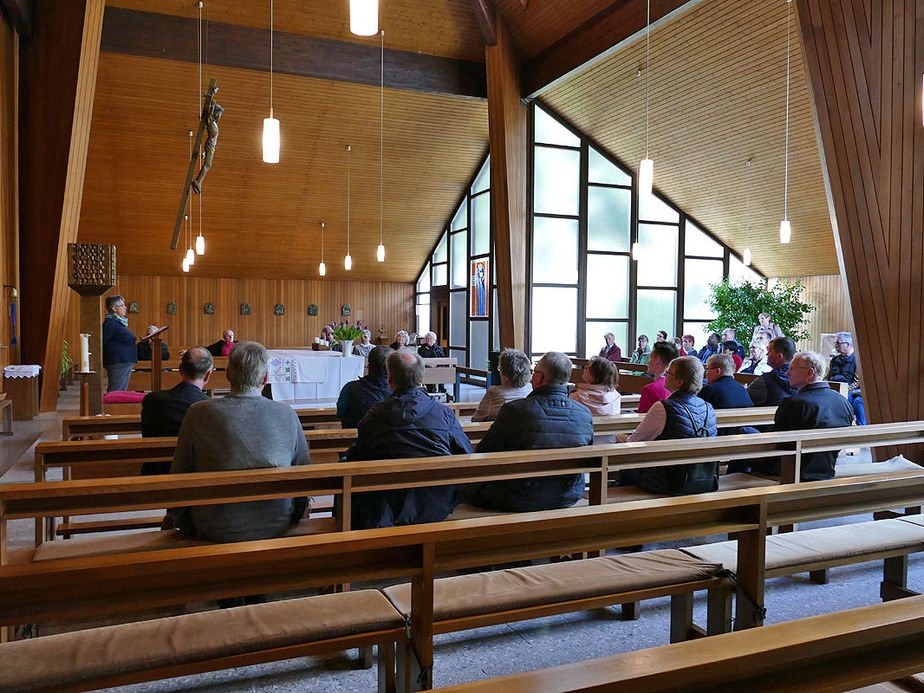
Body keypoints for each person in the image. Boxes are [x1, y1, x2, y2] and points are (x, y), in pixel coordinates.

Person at [169, 342, 310, 543]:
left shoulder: (198, 413)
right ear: (265, 378)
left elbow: (180, 474)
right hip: (276, 523)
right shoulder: (287, 414)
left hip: (213, 526)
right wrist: (295, 519)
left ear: (227, 374)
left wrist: (185, 526)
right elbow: (303, 475)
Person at [345, 351, 472, 529]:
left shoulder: (374, 416)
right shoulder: (443, 413)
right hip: (435, 503)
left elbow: (359, 457)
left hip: (387, 507)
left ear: (389, 380)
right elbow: (466, 453)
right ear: (421, 379)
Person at [466, 352, 594, 512]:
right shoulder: (584, 414)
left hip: (518, 496)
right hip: (568, 495)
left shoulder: (515, 410)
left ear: (540, 378)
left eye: (534, 372)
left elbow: (486, 452)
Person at [622, 356, 719, 495]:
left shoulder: (663, 407)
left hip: (668, 482)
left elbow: (634, 442)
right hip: (702, 479)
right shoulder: (708, 408)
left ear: (679, 382)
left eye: (668, 373)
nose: (665, 375)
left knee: (625, 463)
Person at [756, 351, 854, 481]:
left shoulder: (795, 403)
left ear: (810, 373)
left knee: (745, 437)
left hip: (791, 467)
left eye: (792, 369)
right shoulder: (843, 402)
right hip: (827, 466)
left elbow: (777, 441)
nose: (787, 373)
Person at [140, 347, 213, 474]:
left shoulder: (151, 400)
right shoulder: (210, 407)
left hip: (154, 474)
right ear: (208, 375)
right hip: (192, 477)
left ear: (180, 369)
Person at [336, 345, 393, 428]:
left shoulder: (350, 388)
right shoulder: (398, 390)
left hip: (355, 437)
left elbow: (340, 413)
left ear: (368, 367)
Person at [471, 348, 532, 422]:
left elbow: (477, 418)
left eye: (500, 369)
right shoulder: (530, 388)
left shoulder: (494, 392)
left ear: (506, 376)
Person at [825, 331, 865, 425]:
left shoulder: (858, 360)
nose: (835, 346)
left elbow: (857, 382)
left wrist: (843, 390)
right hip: (832, 390)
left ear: (847, 344)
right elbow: (827, 376)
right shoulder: (834, 360)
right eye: (835, 343)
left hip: (850, 392)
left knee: (851, 400)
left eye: (838, 343)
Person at [102, 294, 137, 392]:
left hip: (124, 362)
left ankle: (115, 407)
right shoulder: (110, 323)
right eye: (122, 305)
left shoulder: (118, 322)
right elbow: (102, 341)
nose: (125, 308)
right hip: (118, 362)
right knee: (116, 391)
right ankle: (111, 408)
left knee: (121, 392)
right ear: (114, 309)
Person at [747, 336, 795, 406]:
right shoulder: (802, 379)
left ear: (779, 356)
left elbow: (743, 398)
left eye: (769, 352)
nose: (766, 354)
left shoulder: (765, 380)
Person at [637, 341, 679, 413]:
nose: (648, 362)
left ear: (657, 360)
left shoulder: (650, 390)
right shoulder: (677, 386)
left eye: (651, 357)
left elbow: (641, 419)